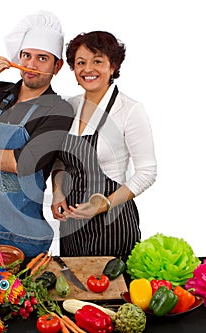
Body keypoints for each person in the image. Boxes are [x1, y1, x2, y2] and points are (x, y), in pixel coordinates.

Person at [0, 11, 74, 258]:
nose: (31, 65)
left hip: (22, 238)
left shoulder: (59, 110)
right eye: (26, 56)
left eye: (42, 58)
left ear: (57, 66)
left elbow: (21, 163)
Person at [51, 31, 157, 259]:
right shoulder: (69, 106)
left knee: (112, 291)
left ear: (113, 66)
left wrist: (104, 204)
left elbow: (147, 172)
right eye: (81, 62)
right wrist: (57, 192)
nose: (88, 69)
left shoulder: (129, 110)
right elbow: (60, 160)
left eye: (97, 61)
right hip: (72, 225)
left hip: (113, 223)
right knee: (72, 289)